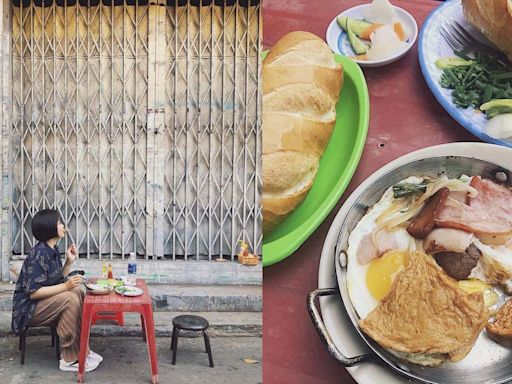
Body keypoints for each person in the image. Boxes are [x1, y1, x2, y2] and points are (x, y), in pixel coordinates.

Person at [11, 209, 103, 372]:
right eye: (59, 223)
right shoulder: (39, 254)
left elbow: (55, 279)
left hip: (40, 304)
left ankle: (82, 350)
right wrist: (66, 286)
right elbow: (34, 292)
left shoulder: (51, 250)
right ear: (49, 228)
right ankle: (69, 359)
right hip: (28, 309)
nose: (63, 226)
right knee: (69, 298)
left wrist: (68, 261)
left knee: (78, 293)